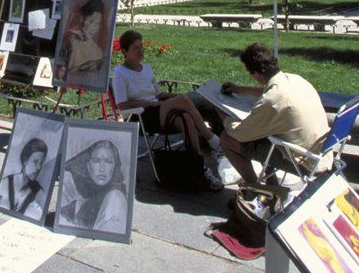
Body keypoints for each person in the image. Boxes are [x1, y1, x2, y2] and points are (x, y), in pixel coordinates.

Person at [111, 29, 224, 189]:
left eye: (141, 46)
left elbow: (158, 94)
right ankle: (212, 140)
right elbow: (122, 105)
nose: (141, 50)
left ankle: (200, 169)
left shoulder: (147, 68)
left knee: (187, 119)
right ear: (124, 51)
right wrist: (148, 103)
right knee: (184, 101)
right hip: (142, 115)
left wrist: (172, 96)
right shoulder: (120, 73)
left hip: (159, 109)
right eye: (136, 48)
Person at [219, 42, 330, 186]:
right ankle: (272, 183)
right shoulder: (296, 79)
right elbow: (268, 91)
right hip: (323, 153)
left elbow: (240, 134)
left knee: (227, 139)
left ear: (256, 74)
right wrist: (239, 89)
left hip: (305, 163)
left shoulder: (272, 100)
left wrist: (225, 118)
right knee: (267, 133)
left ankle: (256, 188)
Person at [58, 139, 128, 234]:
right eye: (96, 161)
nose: (102, 168)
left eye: (108, 161)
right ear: (88, 166)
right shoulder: (85, 200)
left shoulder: (115, 198)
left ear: (115, 166)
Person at [0, 137, 50, 220]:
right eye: (35, 161)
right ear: (25, 160)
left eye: (41, 163)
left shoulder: (39, 192)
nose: (38, 168)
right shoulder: (5, 183)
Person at [60, 0, 107, 89]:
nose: (93, 28)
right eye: (91, 21)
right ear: (82, 19)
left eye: (98, 24)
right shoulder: (71, 40)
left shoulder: (98, 52)